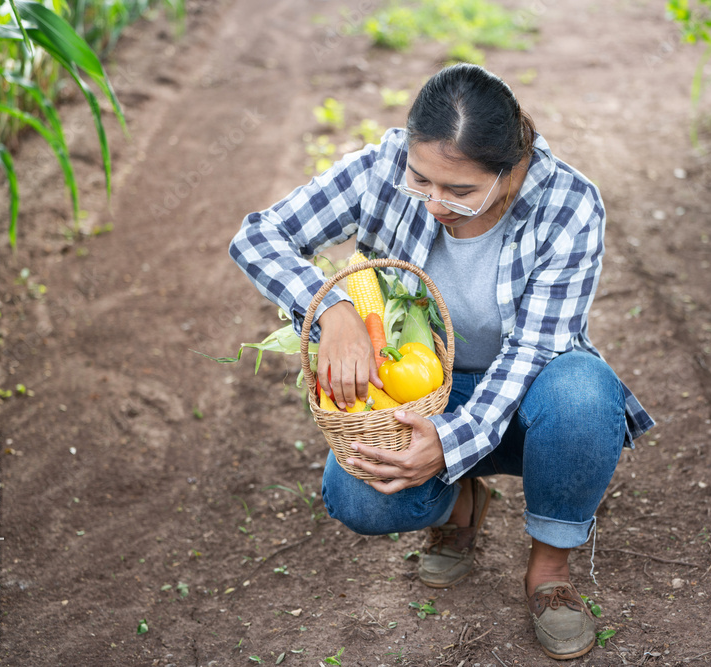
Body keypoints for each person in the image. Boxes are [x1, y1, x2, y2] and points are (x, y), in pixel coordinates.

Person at [229, 63, 654, 660]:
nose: (434, 204)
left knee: (584, 390)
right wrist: (334, 311)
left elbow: (535, 348)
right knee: (357, 497)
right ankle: (461, 507)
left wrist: (450, 443)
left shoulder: (568, 204)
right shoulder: (381, 168)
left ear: (512, 170)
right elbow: (257, 237)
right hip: (420, 393)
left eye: (459, 190)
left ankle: (549, 573)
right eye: (421, 181)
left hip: (528, 399)